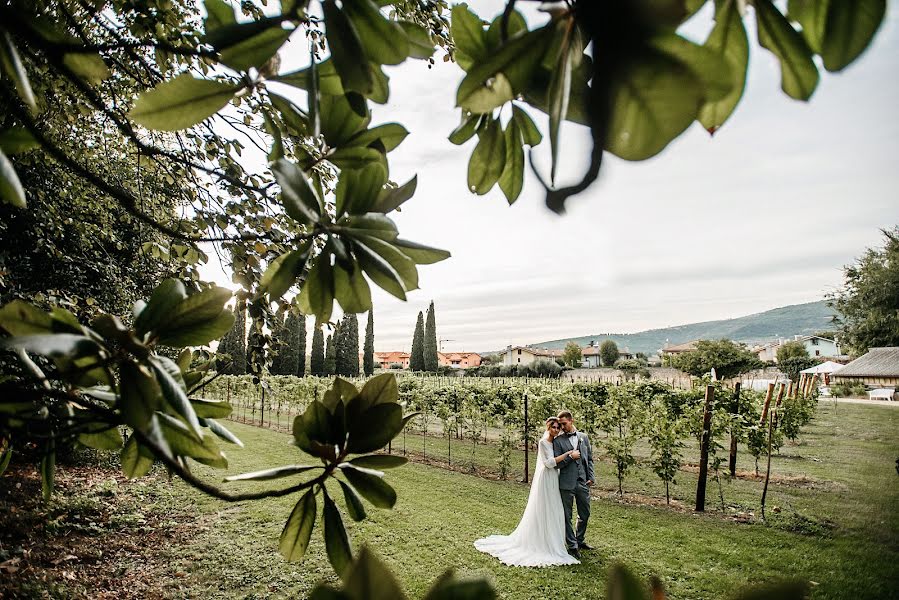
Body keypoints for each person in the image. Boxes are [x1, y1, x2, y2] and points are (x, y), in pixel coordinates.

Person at [473, 417, 581, 567]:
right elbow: (549, 463)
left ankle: (553, 540)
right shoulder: (543, 443)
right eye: (553, 427)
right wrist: (568, 455)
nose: (556, 430)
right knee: (544, 508)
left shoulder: (556, 442)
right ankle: (541, 541)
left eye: (558, 427)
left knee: (555, 509)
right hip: (546, 478)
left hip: (555, 478)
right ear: (548, 427)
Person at [553, 410, 595, 559]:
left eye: (564, 424)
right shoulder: (557, 441)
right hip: (566, 483)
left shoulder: (583, 437)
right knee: (567, 515)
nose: (562, 427)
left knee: (585, 513)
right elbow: (556, 465)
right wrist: (570, 457)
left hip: (583, 482)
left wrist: (591, 476)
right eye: (560, 424)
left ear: (571, 421)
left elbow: (589, 459)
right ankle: (572, 545)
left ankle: (580, 539)